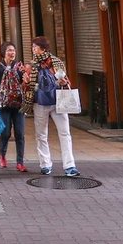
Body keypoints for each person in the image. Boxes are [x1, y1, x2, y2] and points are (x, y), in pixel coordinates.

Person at [24, 36, 78, 177]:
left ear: (43, 48)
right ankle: (45, 164)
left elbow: (66, 81)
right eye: (33, 47)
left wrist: (62, 82)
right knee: (41, 135)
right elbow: (27, 86)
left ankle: (69, 165)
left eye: (35, 47)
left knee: (65, 133)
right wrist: (27, 82)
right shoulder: (32, 65)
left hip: (58, 102)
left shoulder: (56, 62)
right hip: (39, 103)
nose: (33, 49)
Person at [0, 43, 27, 172]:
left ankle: (20, 162)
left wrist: (26, 76)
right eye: (10, 50)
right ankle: (2, 155)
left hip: (18, 105)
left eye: (14, 50)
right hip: (3, 105)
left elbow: (24, 82)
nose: (12, 53)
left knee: (20, 133)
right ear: (4, 52)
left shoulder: (19, 67)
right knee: (5, 133)